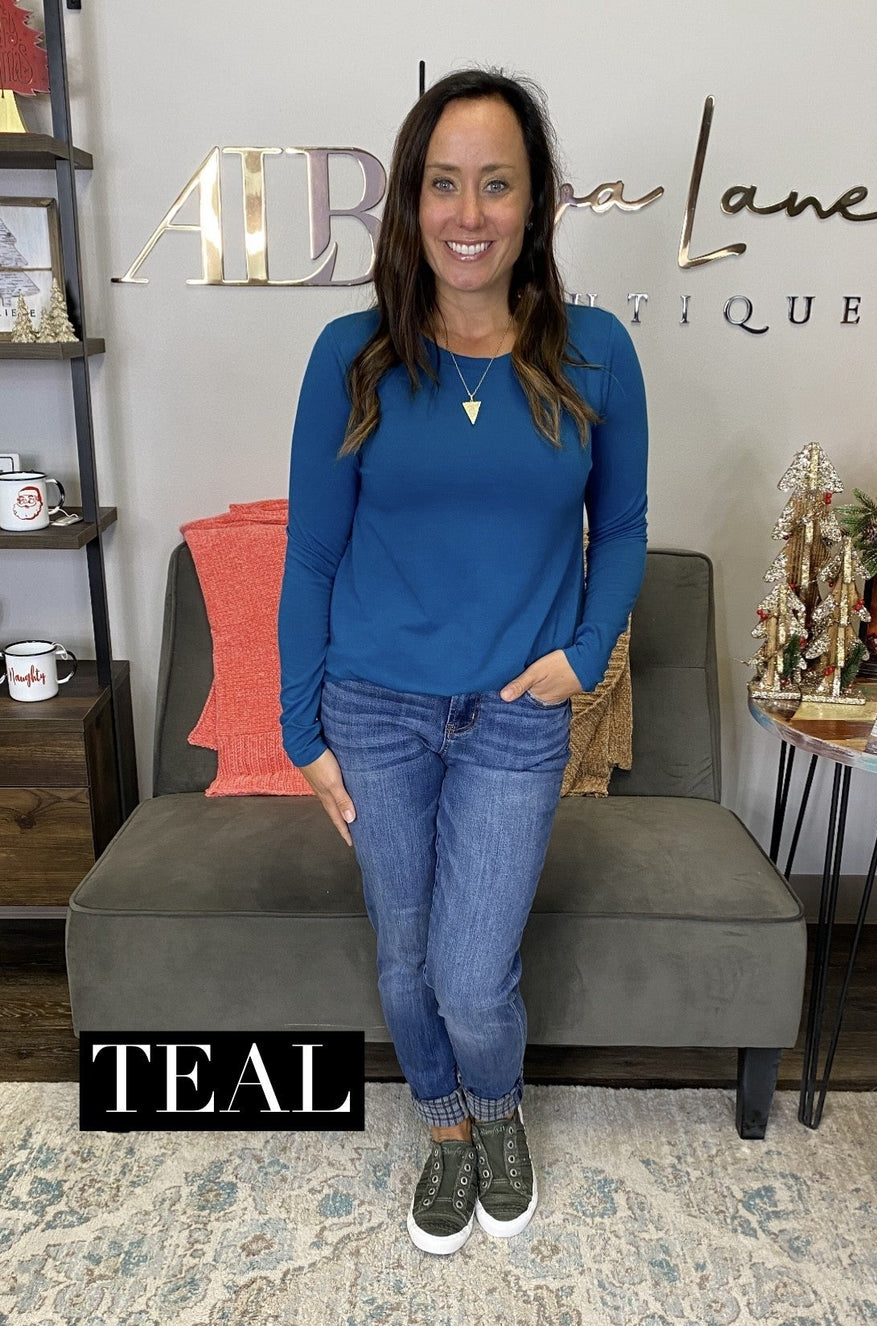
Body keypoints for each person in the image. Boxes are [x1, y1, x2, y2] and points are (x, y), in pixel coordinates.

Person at [278, 68, 648, 1255]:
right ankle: (443, 1125)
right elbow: (313, 554)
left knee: (473, 978)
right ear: (412, 201)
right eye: (444, 184)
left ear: (536, 203)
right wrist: (302, 733)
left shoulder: (596, 354)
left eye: (497, 183)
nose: (469, 212)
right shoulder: (353, 356)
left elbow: (622, 529)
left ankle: (497, 1107)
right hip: (373, 711)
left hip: (514, 719)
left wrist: (581, 656)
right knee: (405, 963)